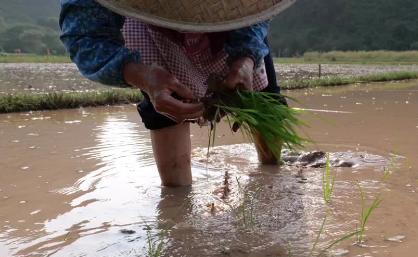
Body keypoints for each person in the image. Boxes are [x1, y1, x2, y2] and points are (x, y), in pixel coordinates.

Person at [59, 0, 294, 187]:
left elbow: (260, 10)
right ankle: (179, 210)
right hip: (153, 32)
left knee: (264, 103)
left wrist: (246, 58)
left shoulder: (244, 7)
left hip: (234, 26)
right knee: (166, 114)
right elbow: (85, 38)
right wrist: (142, 76)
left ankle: (272, 176)